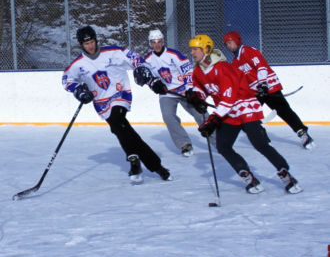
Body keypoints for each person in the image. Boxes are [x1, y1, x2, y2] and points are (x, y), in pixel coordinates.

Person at [187, 34, 302, 194]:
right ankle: (248, 176)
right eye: (191, 49)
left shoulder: (223, 68)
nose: (192, 53)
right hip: (228, 112)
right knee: (223, 146)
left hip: (245, 108)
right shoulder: (198, 71)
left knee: (259, 144)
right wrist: (196, 97)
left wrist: (213, 120)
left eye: (195, 49)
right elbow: (201, 88)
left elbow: (229, 97)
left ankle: (285, 174)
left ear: (206, 49)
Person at [62, 25, 172, 184]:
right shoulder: (78, 64)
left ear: (96, 40)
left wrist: (145, 73)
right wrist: (78, 90)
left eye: (92, 42)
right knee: (120, 128)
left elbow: (136, 59)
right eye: (86, 44)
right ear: (81, 45)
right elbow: (66, 80)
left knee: (117, 121)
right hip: (101, 103)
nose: (90, 46)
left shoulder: (113, 52)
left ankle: (140, 163)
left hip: (120, 94)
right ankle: (152, 165)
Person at [223, 31, 314, 150]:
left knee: (283, 110)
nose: (229, 46)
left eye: (230, 42)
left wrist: (263, 85)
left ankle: (303, 133)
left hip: (269, 86)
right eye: (227, 44)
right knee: (245, 115)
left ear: (237, 41)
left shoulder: (249, 51)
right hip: (256, 92)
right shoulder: (235, 62)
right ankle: (261, 136)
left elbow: (261, 67)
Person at [141, 29, 219, 157]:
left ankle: (218, 142)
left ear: (163, 41)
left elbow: (187, 71)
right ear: (150, 43)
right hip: (167, 94)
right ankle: (184, 144)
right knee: (168, 116)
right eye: (153, 42)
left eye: (159, 41)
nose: (157, 45)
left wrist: (189, 89)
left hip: (183, 90)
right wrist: (153, 85)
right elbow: (147, 77)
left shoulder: (174, 54)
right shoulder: (148, 60)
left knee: (201, 113)